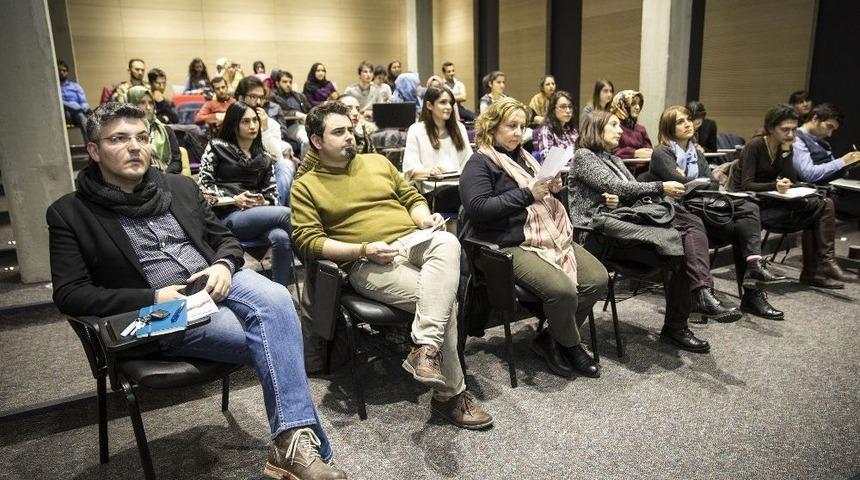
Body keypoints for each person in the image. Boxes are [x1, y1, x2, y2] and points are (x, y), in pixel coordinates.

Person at [47, 102, 347, 480]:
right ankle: (297, 448)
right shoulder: (70, 213)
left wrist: (222, 264)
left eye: (141, 137)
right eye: (119, 139)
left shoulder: (178, 187)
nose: (135, 147)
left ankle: (291, 448)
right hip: (160, 310)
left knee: (278, 299)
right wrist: (152, 298)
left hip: (215, 278)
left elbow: (226, 239)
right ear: (94, 151)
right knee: (271, 337)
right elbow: (71, 294)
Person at [291, 101, 493, 429]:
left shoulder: (377, 162)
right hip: (366, 261)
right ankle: (450, 396)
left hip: (411, 241)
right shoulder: (306, 185)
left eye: (350, 130)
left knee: (447, 240)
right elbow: (308, 242)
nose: (349, 137)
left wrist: (425, 219)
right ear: (316, 141)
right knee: (445, 304)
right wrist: (363, 248)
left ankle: (425, 346)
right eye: (338, 132)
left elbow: (411, 197)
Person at [570, 111, 742, 352]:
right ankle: (690, 310)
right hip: (598, 236)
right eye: (614, 125)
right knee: (682, 238)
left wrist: (626, 200)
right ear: (596, 128)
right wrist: (660, 187)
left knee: (687, 230)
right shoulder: (583, 156)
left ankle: (690, 309)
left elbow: (629, 195)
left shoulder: (616, 160)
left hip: (624, 225)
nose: (621, 131)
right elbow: (616, 187)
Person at [460, 97, 606, 377]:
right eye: (510, 126)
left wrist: (553, 188)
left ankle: (551, 337)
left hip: (544, 235)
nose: (518, 132)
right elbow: (479, 209)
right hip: (505, 242)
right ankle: (570, 345)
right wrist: (529, 193)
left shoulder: (525, 158)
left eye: (522, 126)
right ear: (492, 127)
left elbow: (543, 205)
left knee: (597, 279)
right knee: (562, 290)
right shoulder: (479, 163)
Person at [641, 105, 787, 319]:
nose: (688, 124)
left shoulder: (695, 153)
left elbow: (711, 181)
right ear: (668, 127)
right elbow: (682, 185)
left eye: (688, 120)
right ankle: (708, 295)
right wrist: (695, 181)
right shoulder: (662, 152)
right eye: (680, 121)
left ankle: (753, 279)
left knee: (748, 212)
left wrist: (695, 181)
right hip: (679, 212)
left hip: (703, 206)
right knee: (738, 225)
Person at [729, 104, 847, 289]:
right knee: (818, 209)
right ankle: (818, 267)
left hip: (773, 200)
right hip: (750, 204)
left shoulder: (786, 147)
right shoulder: (756, 145)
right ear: (770, 128)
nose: (791, 134)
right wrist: (774, 185)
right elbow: (747, 184)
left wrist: (786, 152)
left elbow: (790, 179)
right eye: (785, 130)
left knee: (824, 203)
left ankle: (823, 263)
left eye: (793, 129)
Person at [198, 102, 294, 288]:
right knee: (287, 214)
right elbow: (203, 188)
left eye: (255, 121)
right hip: (226, 217)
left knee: (281, 237)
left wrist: (262, 200)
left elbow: (272, 194)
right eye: (245, 121)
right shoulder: (217, 147)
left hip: (258, 215)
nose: (252, 126)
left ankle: (281, 291)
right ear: (234, 125)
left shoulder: (263, 157)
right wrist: (234, 199)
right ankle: (317, 271)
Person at [233, 76, 296, 207]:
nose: (258, 102)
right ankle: (279, 212)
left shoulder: (271, 124)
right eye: (252, 96)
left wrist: (265, 129)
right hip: (240, 179)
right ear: (240, 98)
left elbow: (277, 158)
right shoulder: (232, 123)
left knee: (285, 165)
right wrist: (264, 156)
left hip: (267, 176)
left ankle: (277, 207)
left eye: (261, 97)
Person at [402, 86, 472, 203]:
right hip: (432, 191)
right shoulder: (416, 130)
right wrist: (430, 171)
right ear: (429, 105)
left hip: (460, 187)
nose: (449, 107)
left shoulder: (459, 128)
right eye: (443, 102)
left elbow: (469, 163)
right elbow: (410, 170)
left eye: (450, 103)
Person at [793, 103, 860, 184]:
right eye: (829, 127)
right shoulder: (796, 139)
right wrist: (843, 161)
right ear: (815, 118)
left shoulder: (824, 143)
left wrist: (847, 165)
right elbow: (808, 175)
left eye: (833, 130)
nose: (829, 134)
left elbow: (831, 171)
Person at [125, 86, 182, 174]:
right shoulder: (125, 134)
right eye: (142, 103)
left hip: (166, 178)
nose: (148, 107)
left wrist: (163, 177)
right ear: (132, 105)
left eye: (151, 103)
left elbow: (177, 162)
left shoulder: (166, 131)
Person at [271, 70, 312, 159]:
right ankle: (304, 167)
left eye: (290, 82)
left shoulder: (298, 96)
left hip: (303, 124)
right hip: (287, 126)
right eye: (285, 82)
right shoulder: (273, 97)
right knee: (307, 140)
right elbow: (279, 112)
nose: (288, 84)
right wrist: (297, 114)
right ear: (277, 83)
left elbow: (309, 109)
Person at [534, 90, 578, 161]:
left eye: (570, 107)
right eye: (563, 107)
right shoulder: (546, 130)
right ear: (554, 110)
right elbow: (547, 159)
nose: (568, 110)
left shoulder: (572, 130)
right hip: (557, 171)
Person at [609, 90, 653, 159]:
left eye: (639, 104)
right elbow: (612, 153)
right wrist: (635, 153)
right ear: (622, 105)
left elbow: (649, 152)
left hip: (643, 168)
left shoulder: (641, 129)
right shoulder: (613, 127)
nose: (638, 107)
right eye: (633, 104)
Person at [58, 59, 90, 143]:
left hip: (77, 113)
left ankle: (91, 148)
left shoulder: (75, 86)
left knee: (82, 116)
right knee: (73, 112)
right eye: (59, 70)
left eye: (64, 70)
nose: (61, 72)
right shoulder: (55, 88)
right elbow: (59, 102)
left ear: (67, 72)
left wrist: (83, 108)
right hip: (64, 113)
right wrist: (74, 107)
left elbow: (83, 101)